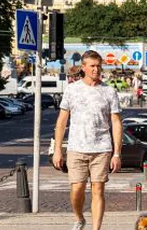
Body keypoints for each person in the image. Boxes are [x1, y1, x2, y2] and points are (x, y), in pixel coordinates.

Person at [52, 50, 122, 230]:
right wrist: (58, 150)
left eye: (99, 66)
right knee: (77, 190)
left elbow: (115, 122)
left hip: (101, 148)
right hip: (76, 147)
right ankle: (79, 217)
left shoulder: (109, 91)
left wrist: (116, 153)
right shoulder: (72, 90)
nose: (96, 70)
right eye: (92, 66)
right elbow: (62, 121)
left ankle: (96, 228)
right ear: (83, 68)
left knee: (98, 190)